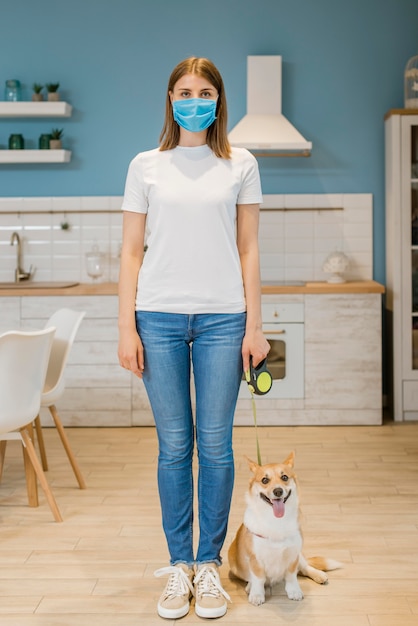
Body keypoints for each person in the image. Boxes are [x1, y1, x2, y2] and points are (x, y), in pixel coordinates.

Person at [117, 56, 270, 620]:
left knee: (216, 446)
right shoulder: (145, 165)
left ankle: (209, 566)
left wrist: (254, 325)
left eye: (205, 91)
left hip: (224, 319)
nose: (194, 99)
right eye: (185, 90)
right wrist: (125, 325)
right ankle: (179, 566)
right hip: (155, 317)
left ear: (218, 99)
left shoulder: (241, 164)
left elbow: (249, 247)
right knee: (174, 448)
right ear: (170, 98)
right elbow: (132, 251)